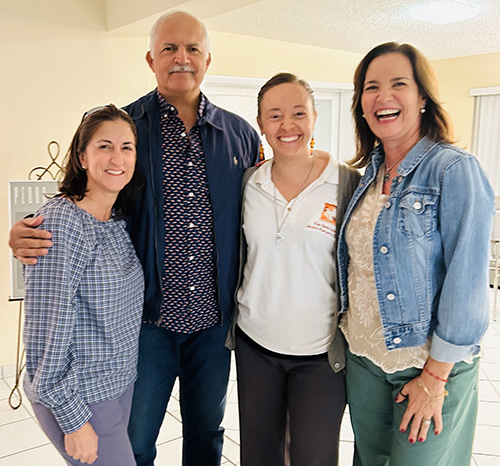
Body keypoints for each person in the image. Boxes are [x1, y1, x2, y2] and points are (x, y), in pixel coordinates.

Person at [10, 11, 260, 466]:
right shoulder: (129, 129)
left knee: (207, 433)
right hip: (145, 325)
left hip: (214, 323)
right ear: (150, 59)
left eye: (192, 49)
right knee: (135, 439)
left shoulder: (241, 136)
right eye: (169, 48)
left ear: (207, 59)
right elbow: (89, 194)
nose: (181, 58)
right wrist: (25, 228)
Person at [336, 42, 495, 466]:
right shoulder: (368, 174)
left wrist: (435, 379)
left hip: (427, 366)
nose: (383, 97)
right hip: (365, 360)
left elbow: (468, 285)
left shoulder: (454, 170)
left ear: (422, 97)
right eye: (371, 87)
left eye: (398, 84)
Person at [226, 73, 360, 466]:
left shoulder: (346, 183)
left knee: (313, 457)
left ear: (315, 118)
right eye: (275, 115)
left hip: (320, 354)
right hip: (256, 346)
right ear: (261, 124)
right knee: (259, 455)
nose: (287, 126)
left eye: (298, 113)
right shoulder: (249, 183)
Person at [23, 105, 144, 465]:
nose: (117, 157)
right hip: (81, 396)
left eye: (127, 147)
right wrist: (74, 420)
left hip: (116, 386)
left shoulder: (114, 221)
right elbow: (47, 332)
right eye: (104, 146)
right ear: (82, 157)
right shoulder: (63, 222)